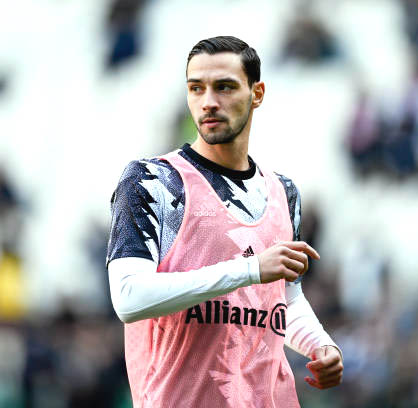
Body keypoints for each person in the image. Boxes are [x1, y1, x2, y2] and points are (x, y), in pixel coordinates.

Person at [107, 35, 343, 407]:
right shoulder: (153, 181)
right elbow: (128, 298)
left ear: (257, 93)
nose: (208, 102)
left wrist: (319, 343)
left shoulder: (283, 193)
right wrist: (249, 269)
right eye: (196, 88)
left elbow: (283, 300)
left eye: (225, 87)